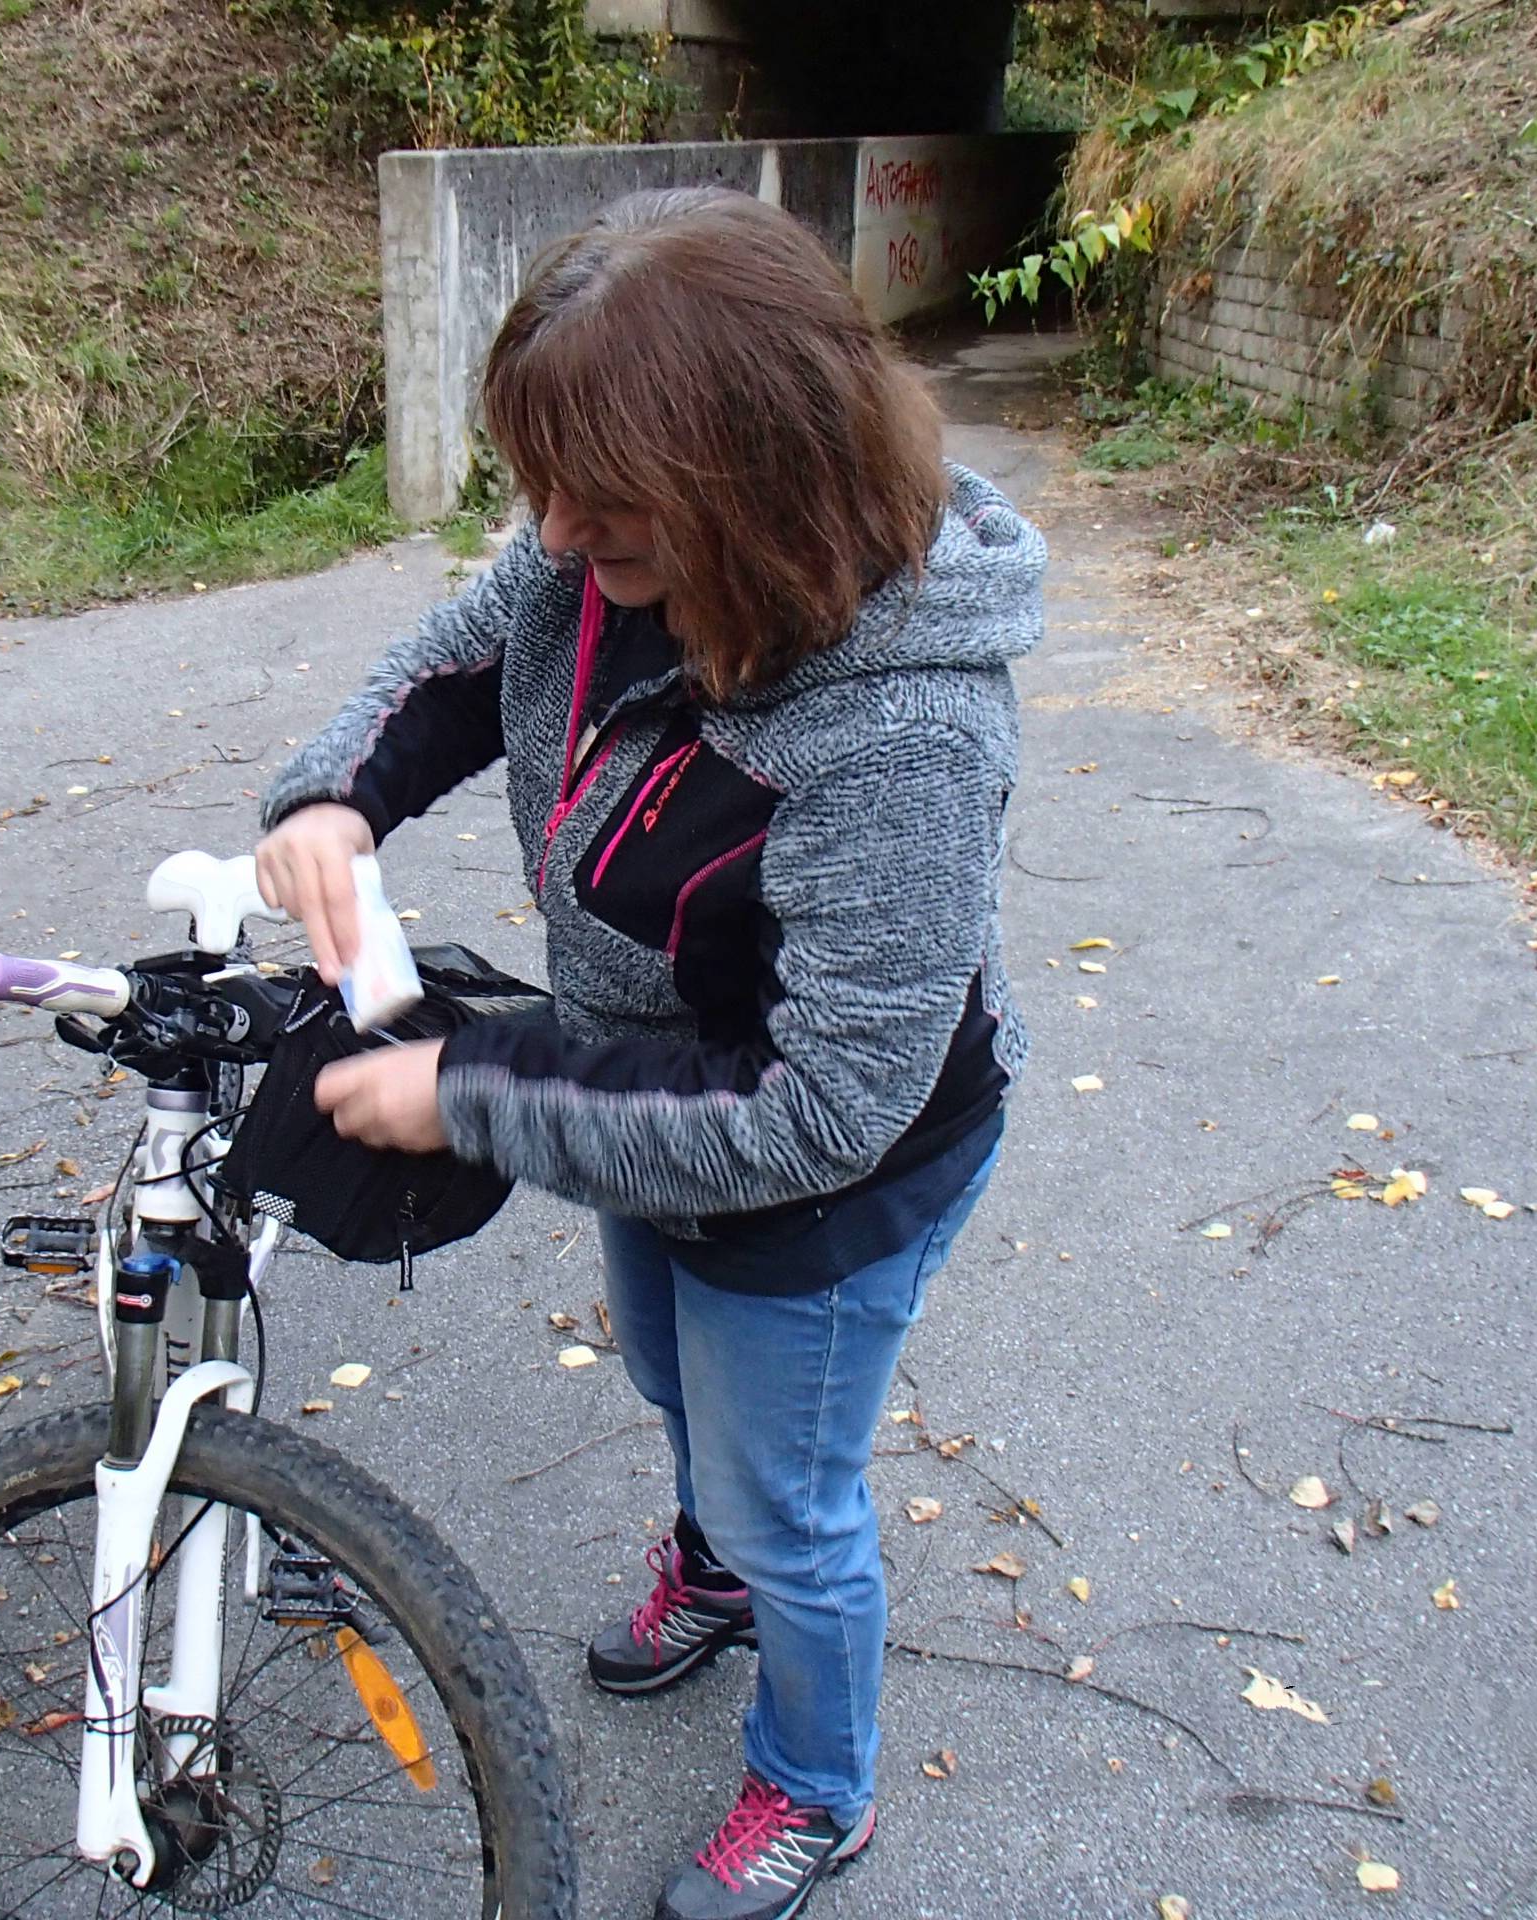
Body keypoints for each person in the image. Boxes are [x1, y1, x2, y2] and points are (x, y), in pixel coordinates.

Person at [253, 185, 1043, 1920]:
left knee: (795, 1498)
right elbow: (461, 659)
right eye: (536, 486)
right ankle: (719, 1560)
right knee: (673, 1378)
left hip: (829, 1174)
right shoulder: (607, 554)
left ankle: (814, 1784)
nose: (545, 537)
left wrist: (472, 1091)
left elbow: (816, 1109)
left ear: (753, 481)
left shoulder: (902, 731)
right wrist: (335, 792)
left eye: (594, 509)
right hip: (637, 1082)